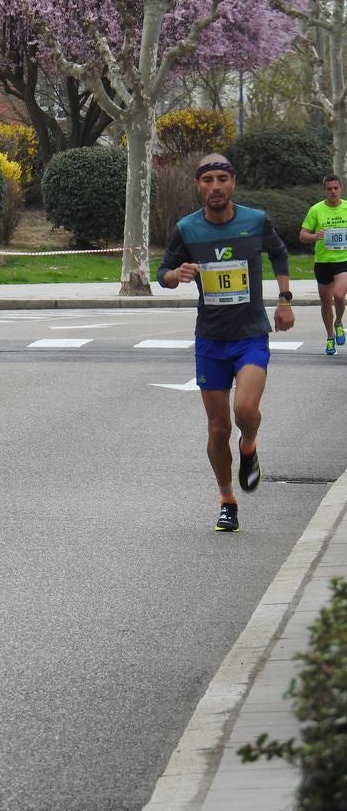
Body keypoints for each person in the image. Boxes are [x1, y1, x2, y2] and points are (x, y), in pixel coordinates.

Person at [157, 153, 294, 533]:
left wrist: (284, 301)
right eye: (207, 181)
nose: (215, 187)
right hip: (211, 340)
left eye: (221, 179)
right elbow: (161, 273)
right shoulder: (187, 228)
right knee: (218, 428)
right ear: (198, 186)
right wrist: (176, 275)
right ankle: (226, 499)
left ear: (232, 182)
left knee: (245, 411)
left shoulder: (256, 220)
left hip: (250, 334)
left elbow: (280, 253)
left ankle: (249, 445)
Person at [299, 174, 347, 355]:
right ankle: (329, 337)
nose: (333, 191)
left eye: (336, 188)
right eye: (329, 189)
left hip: (344, 260)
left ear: (340, 188)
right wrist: (314, 236)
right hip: (323, 262)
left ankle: (339, 322)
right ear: (324, 190)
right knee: (326, 303)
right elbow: (302, 236)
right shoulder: (316, 210)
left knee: (339, 295)